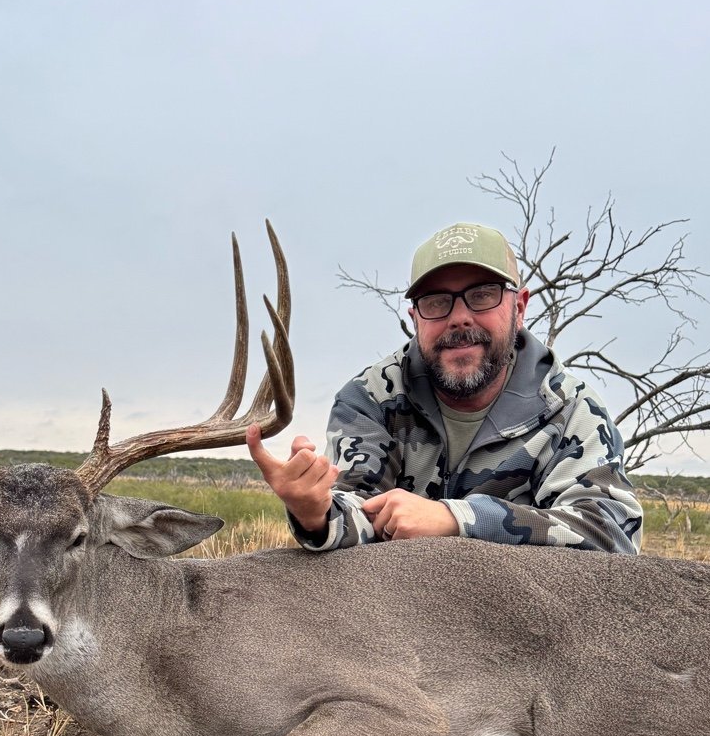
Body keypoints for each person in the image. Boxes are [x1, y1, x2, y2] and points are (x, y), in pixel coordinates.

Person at [247, 222, 642, 554]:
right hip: (402, 622)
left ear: (519, 307)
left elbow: (612, 533)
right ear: (415, 317)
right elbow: (359, 509)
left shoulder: (570, 410)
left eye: (482, 295)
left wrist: (457, 520)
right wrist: (315, 513)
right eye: (437, 302)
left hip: (523, 625)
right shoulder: (369, 400)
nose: (459, 317)